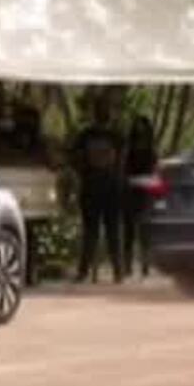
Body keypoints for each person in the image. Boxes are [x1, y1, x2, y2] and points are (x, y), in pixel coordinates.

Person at [70, 96, 127, 283]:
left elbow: (122, 161)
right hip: (98, 186)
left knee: (102, 231)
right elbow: (76, 158)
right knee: (99, 232)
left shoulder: (111, 136)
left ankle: (109, 271)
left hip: (103, 187)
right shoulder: (97, 135)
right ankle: (95, 271)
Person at [123, 113, 159, 279]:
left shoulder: (151, 150)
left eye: (142, 126)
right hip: (131, 191)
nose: (140, 130)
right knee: (129, 230)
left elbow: (154, 171)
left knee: (144, 230)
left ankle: (145, 265)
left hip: (145, 191)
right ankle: (127, 265)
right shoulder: (129, 150)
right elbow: (124, 171)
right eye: (137, 126)